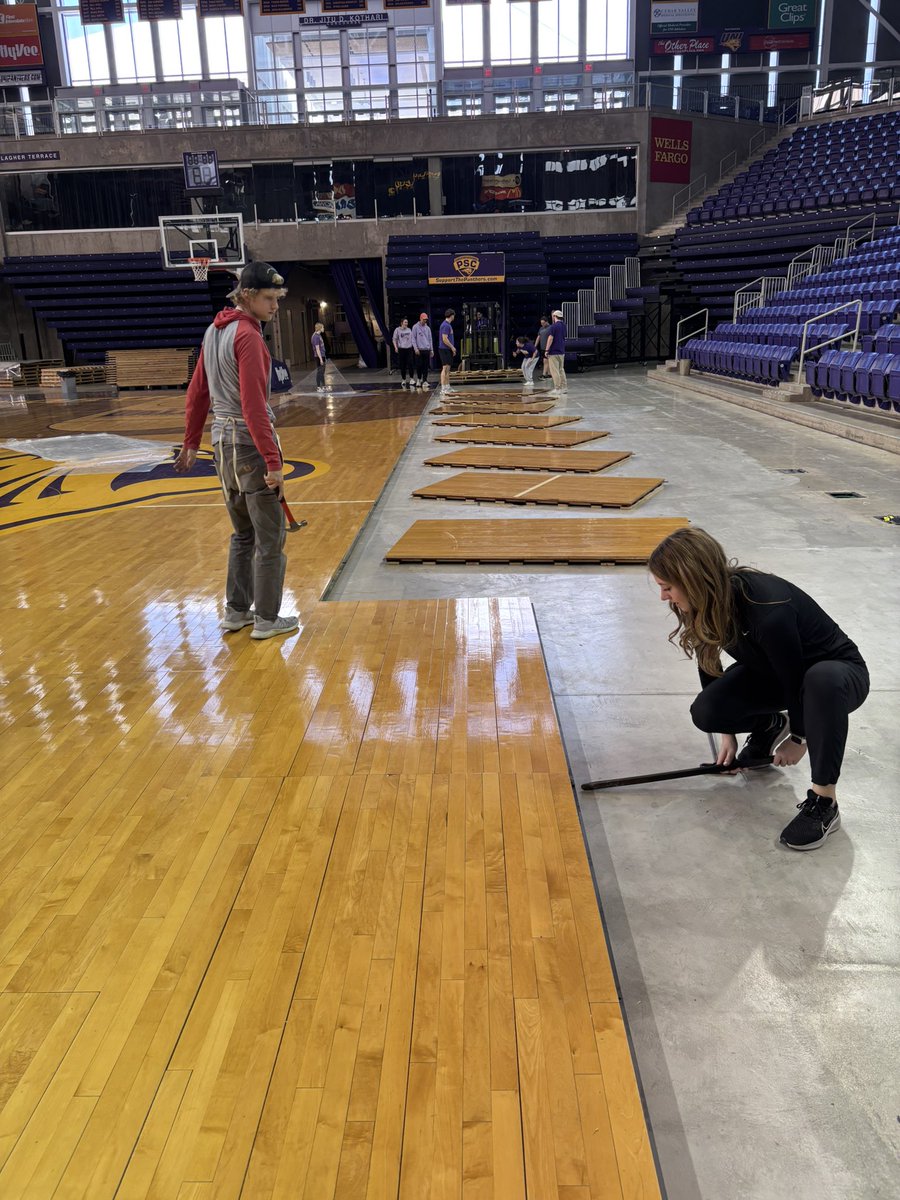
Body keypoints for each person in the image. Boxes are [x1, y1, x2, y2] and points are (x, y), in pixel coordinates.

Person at [648, 527, 869, 850]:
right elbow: (709, 662)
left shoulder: (767, 608)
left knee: (819, 679)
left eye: (667, 587)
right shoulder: (705, 602)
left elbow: (795, 678)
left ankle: (824, 802)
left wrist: (799, 738)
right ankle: (769, 725)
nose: (664, 597)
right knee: (707, 711)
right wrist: (727, 735)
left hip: (837, 678)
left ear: (693, 580)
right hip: (777, 673)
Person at [175, 261, 299, 641]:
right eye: (269, 298)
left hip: (221, 447)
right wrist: (273, 462)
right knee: (270, 539)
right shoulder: (248, 336)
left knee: (243, 534)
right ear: (246, 295)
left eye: (278, 298)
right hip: (248, 447)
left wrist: (192, 442)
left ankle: (236, 611)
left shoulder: (213, 331)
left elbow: (197, 393)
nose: (275, 306)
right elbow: (253, 406)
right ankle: (266, 619)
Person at [545, 309, 568, 396]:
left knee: (555, 371)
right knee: (561, 370)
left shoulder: (553, 326)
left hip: (553, 351)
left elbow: (550, 338)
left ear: (554, 316)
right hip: (561, 351)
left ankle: (557, 388)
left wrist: (547, 350)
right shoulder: (564, 326)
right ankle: (564, 388)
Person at [411, 312, 433, 389]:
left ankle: (425, 380)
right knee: (419, 365)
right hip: (419, 350)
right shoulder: (415, 327)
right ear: (420, 319)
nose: (425, 321)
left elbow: (430, 339)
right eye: (424, 319)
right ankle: (419, 379)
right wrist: (415, 348)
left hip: (426, 349)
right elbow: (413, 339)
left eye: (426, 319)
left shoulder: (428, 328)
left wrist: (431, 350)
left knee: (426, 366)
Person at [392, 317, 415, 388]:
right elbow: (394, 339)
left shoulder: (409, 330)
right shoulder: (397, 330)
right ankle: (403, 379)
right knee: (403, 365)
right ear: (401, 323)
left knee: (410, 364)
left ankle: (411, 379)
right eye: (405, 322)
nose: (406, 323)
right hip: (401, 349)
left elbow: (412, 339)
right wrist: (396, 347)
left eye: (407, 322)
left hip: (409, 349)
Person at [439, 308, 456, 394]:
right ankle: (443, 388)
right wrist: (452, 347)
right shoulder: (445, 325)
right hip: (444, 349)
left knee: (448, 369)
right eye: (454, 315)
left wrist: (452, 349)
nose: (454, 317)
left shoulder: (448, 325)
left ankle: (447, 386)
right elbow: (444, 339)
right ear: (451, 316)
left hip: (448, 349)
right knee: (445, 368)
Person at [535, 316, 552, 380]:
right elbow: (538, 337)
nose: (542, 324)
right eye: (541, 323)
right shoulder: (541, 328)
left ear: (547, 322)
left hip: (548, 347)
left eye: (543, 323)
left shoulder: (551, 328)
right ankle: (549, 374)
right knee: (546, 361)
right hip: (542, 347)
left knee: (546, 361)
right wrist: (535, 346)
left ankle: (544, 374)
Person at [311, 322, 327, 392]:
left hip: (322, 355)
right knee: (319, 372)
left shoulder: (319, 335)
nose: (323, 329)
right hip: (319, 356)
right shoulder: (315, 337)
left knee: (322, 372)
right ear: (320, 328)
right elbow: (317, 349)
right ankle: (318, 387)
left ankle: (323, 386)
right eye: (323, 327)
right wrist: (320, 359)